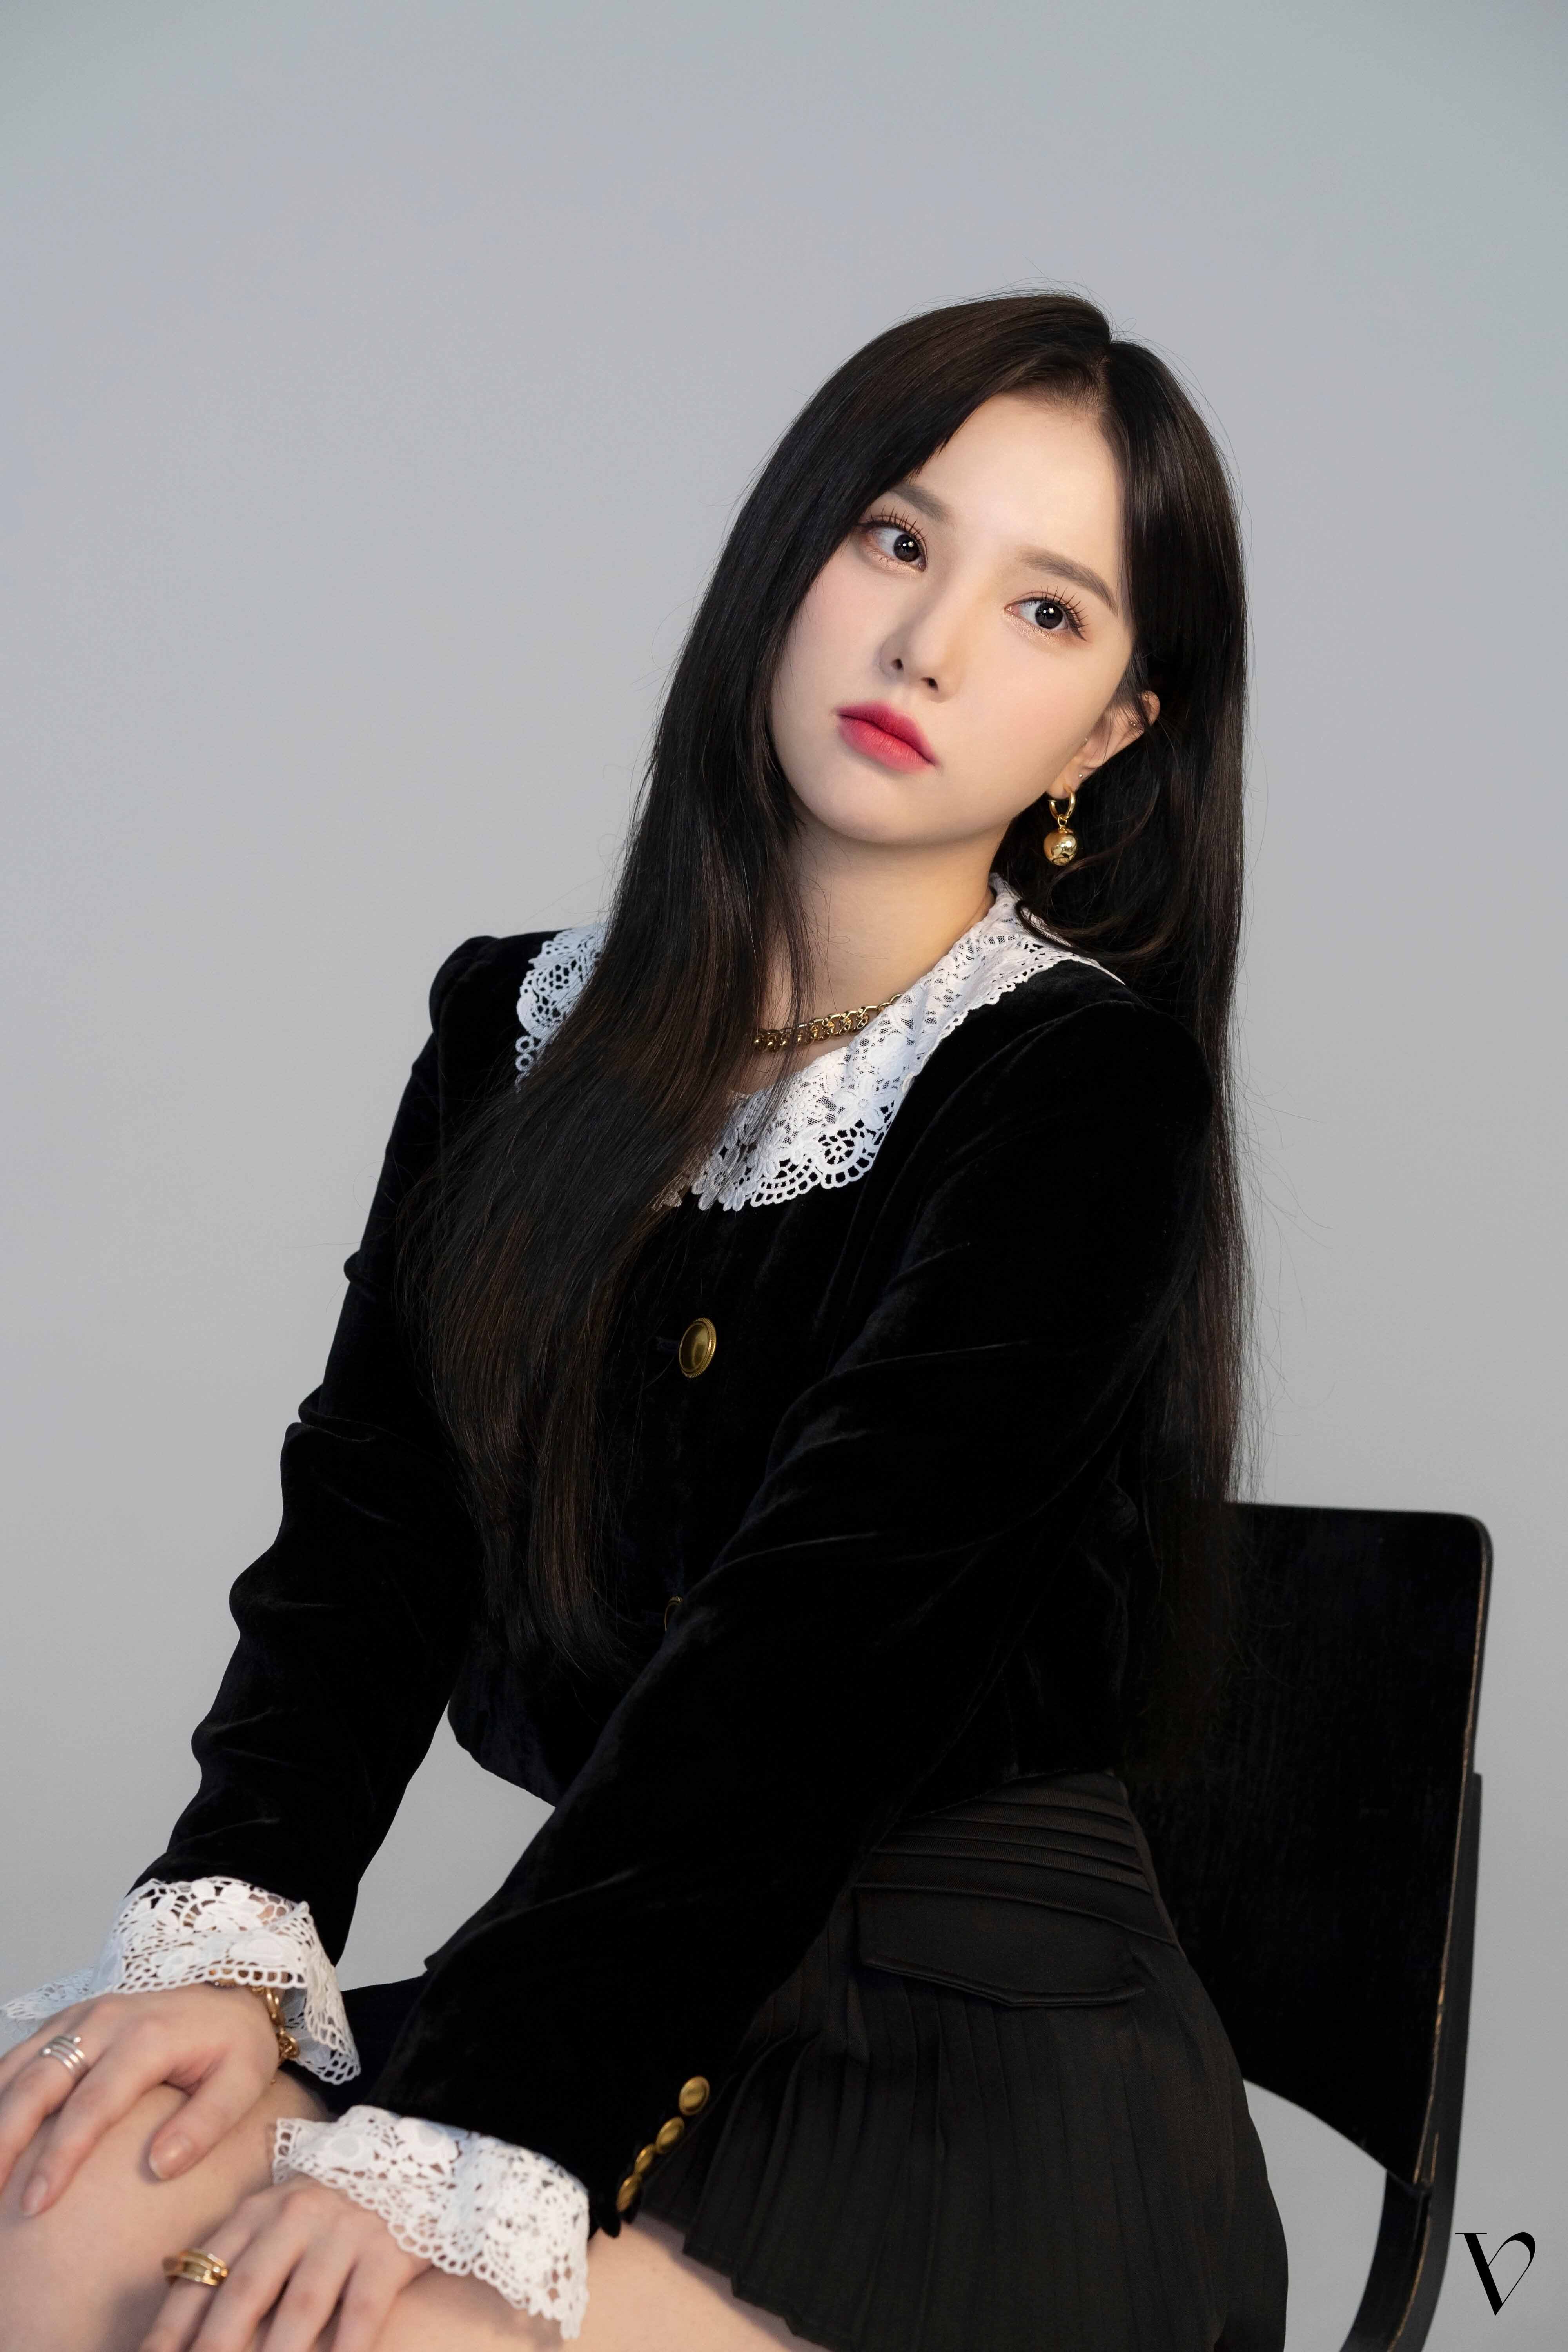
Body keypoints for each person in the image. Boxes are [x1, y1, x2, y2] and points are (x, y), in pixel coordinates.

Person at [0, 290, 1287, 2352]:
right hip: (634, 1983)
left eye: (1046, 612)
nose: (929, 645)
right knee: (57, 2193)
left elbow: (809, 1669)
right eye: (896, 538)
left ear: (1111, 732)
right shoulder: (516, 1028)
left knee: (321, 2336)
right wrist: (234, 1949)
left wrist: (485, 2115)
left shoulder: (1078, 1092)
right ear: (790, 553)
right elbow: (374, 1542)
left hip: (977, 2082)